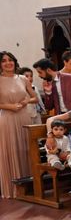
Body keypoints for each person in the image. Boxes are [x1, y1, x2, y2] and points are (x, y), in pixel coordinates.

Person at [0, 51, 37, 198]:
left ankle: (29, 188)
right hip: (7, 119)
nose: (8, 63)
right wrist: (9, 106)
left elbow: (35, 98)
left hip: (23, 117)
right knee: (10, 151)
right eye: (4, 61)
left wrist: (26, 101)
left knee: (25, 150)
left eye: (10, 60)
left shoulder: (22, 78)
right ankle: (12, 189)